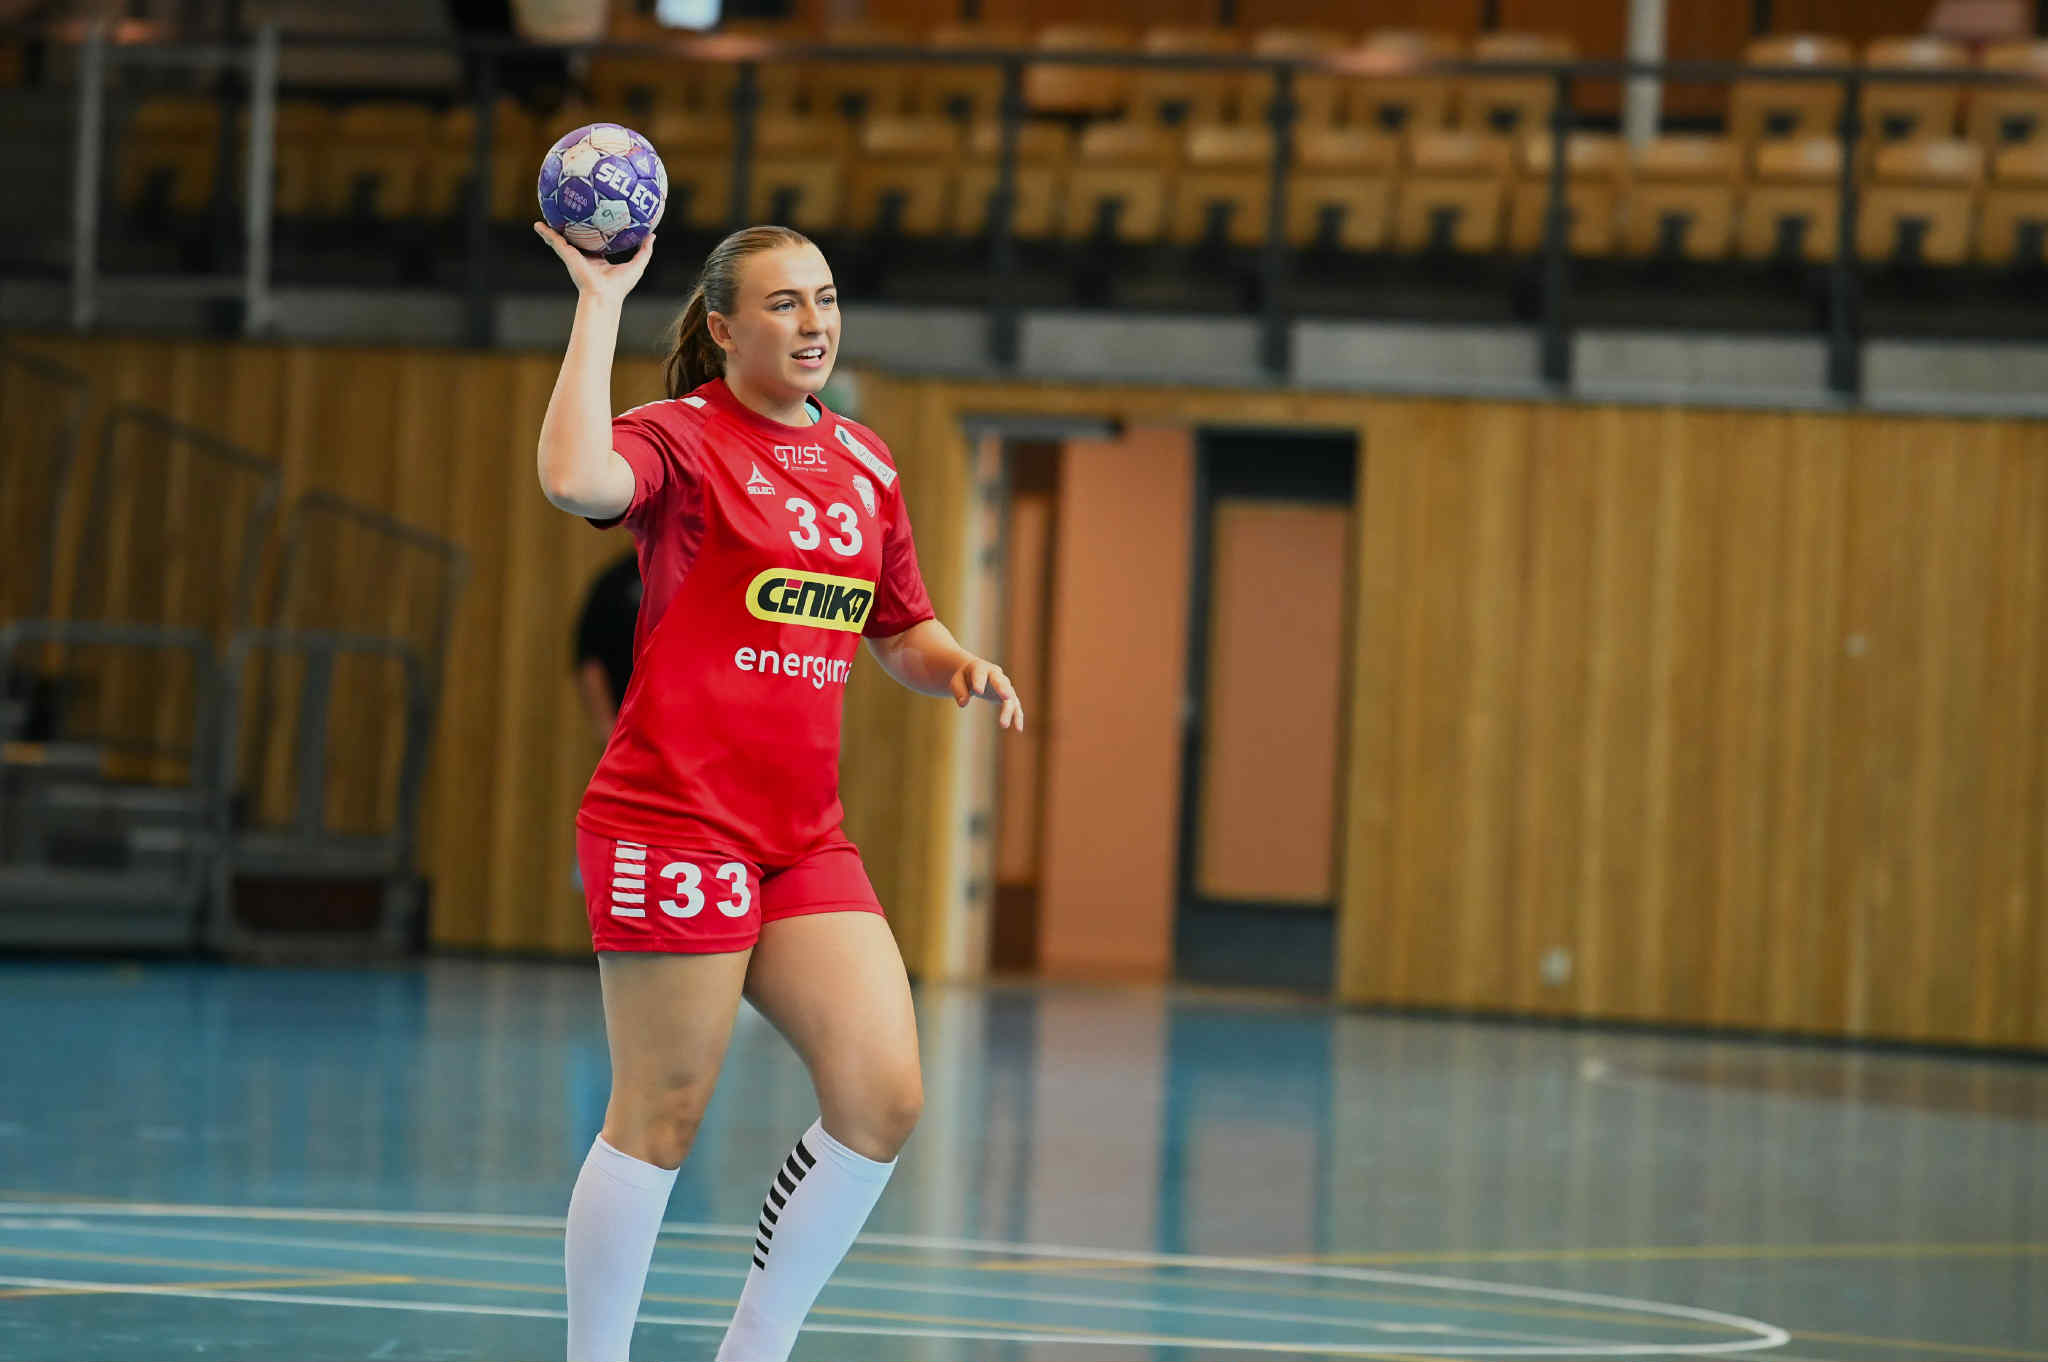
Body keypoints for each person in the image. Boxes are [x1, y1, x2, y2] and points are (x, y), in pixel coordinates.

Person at [532, 217, 1024, 1362]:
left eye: (826, 298)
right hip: (673, 818)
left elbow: (898, 628)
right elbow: (571, 478)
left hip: (800, 838)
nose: (813, 323)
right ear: (722, 328)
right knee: (660, 1115)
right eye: (784, 303)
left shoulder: (864, 461)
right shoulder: (683, 438)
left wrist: (955, 664)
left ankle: (753, 1353)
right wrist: (598, 301)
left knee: (882, 1097)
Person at [572, 551, 641, 746]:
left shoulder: (700, 577)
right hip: (631, 733)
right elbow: (591, 661)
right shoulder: (616, 582)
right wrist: (607, 729)